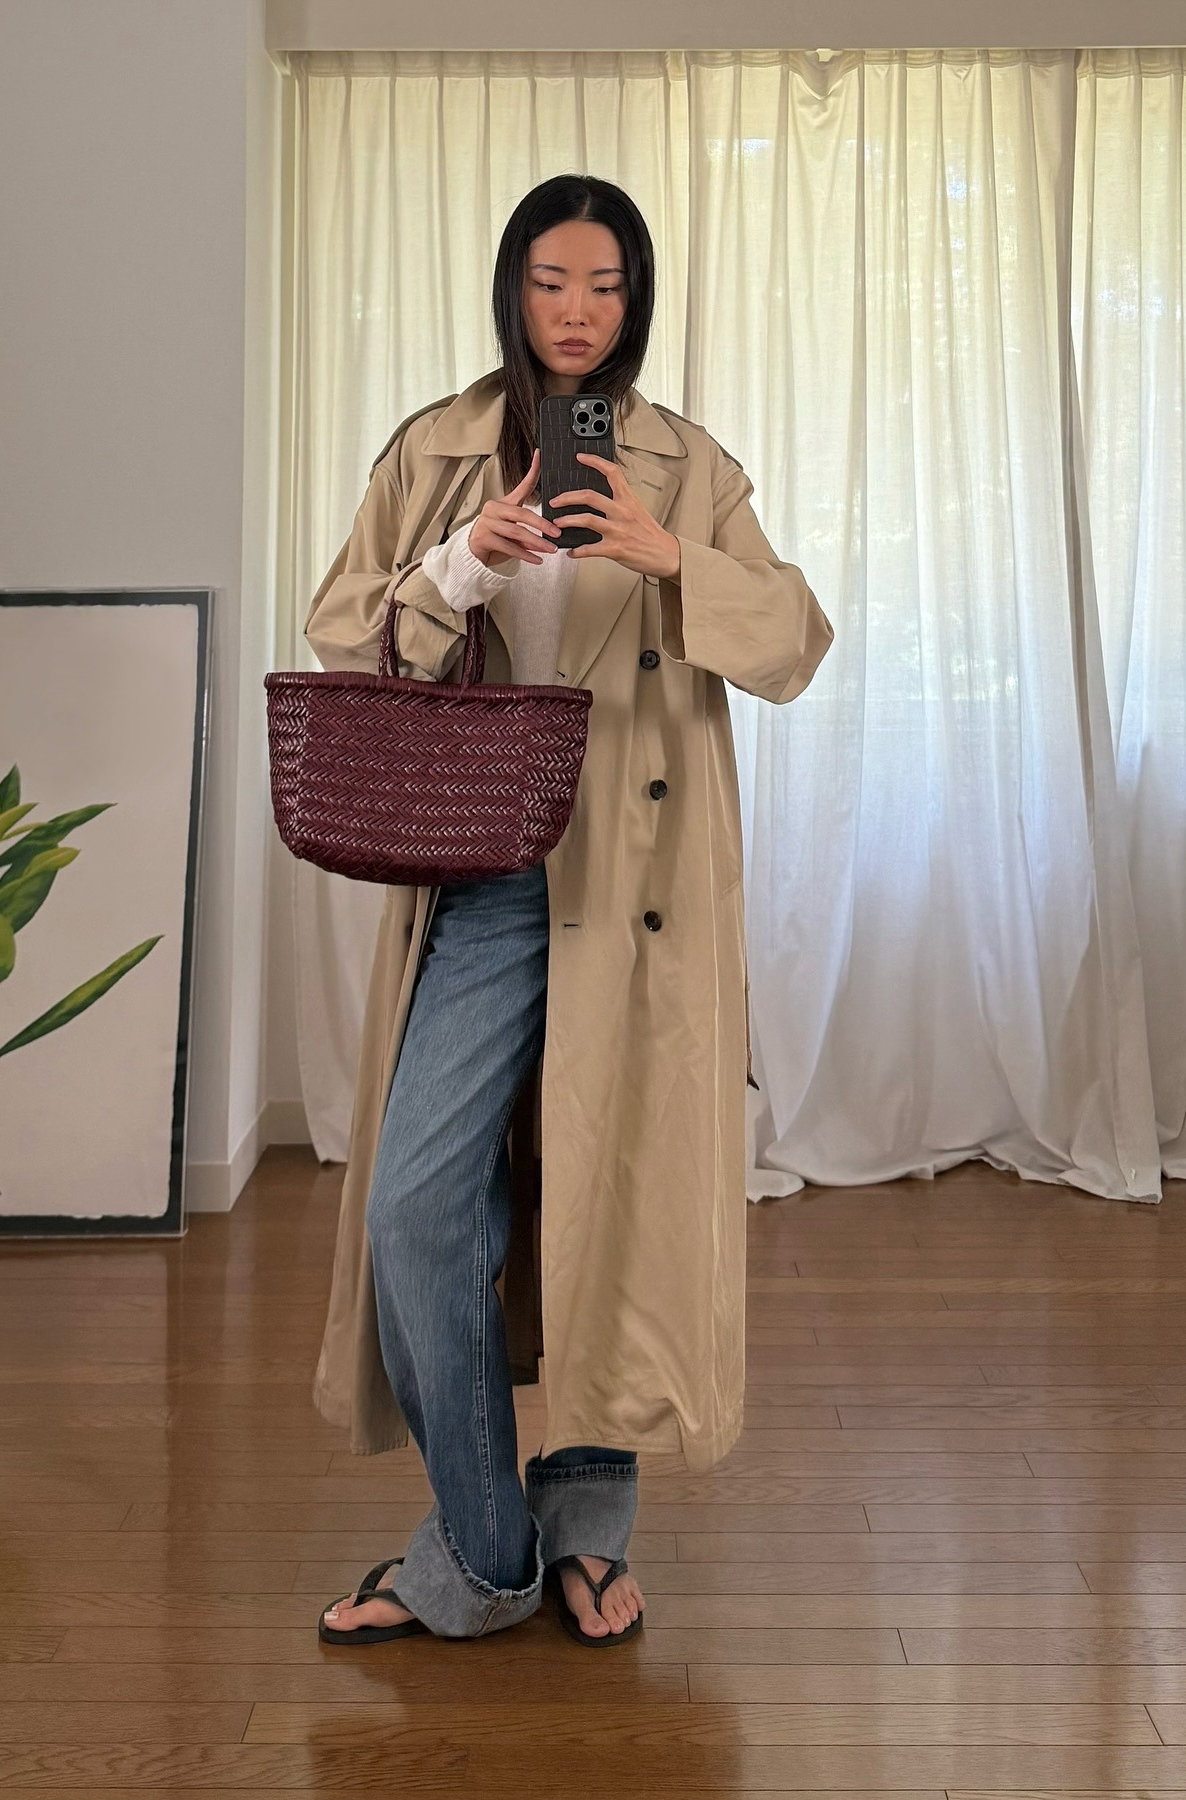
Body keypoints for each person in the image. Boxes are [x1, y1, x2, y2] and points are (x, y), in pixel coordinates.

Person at [304, 173, 833, 1647]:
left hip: (638, 884)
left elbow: (796, 643)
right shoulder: (436, 448)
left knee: (611, 1206)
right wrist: (465, 560)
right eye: (551, 282)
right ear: (512, 291)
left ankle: (588, 1532)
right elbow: (347, 635)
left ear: (635, 299)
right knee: (419, 1205)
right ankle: (486, 1551)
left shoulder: (685, 462)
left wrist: (672, 558)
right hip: (484, 872)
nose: (578, 312)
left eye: (605, 285)